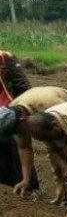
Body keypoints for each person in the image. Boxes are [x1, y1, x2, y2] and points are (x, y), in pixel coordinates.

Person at [0, 86, 67, 201]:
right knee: (58, 165)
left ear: (23, 121)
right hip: (49, 125)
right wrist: (26, 180)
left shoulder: (49, 104)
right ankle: (63, 197)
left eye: (16, 131)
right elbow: (24, 147)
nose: (17, 134)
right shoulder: (14, 116)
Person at [0, 50, 38, 190]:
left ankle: (28, 188)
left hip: (10, 111)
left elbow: (24, 87)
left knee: (17, 150)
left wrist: (22, 110)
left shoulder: (4, 57)